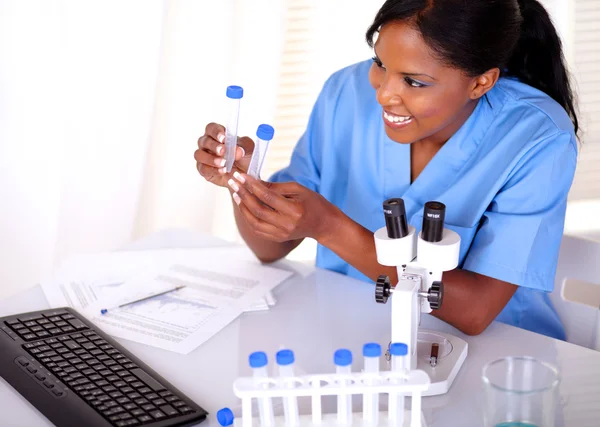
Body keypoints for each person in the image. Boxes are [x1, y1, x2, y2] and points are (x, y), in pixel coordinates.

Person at [194, 0, 579, 340]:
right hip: (348, 331)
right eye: (380, 63)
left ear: (480, 82)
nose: (382, 94)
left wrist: (329, 226)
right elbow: (267, 249)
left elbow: (475, 312)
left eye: (413, 81)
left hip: (495, 357)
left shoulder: (536, 137)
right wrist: (241, 179)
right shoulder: (344, 92)